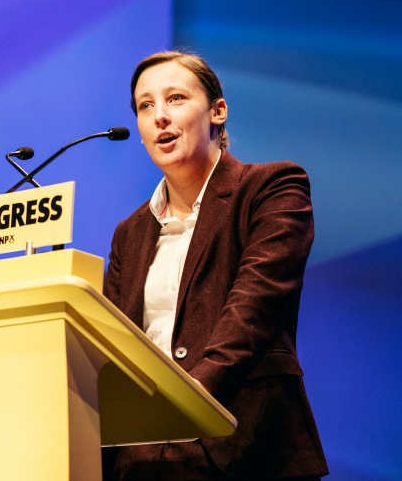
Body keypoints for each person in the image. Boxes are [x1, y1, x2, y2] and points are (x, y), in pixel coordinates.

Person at [102, 51, 328, 480]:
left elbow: (252, 310)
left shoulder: (272, 189)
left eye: (175, 99)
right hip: (142, 460)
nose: (159, 117)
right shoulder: (128, 234)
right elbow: (115, 349)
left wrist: (190, 402)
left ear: (217, 112)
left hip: (244, 449)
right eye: (145, 106)